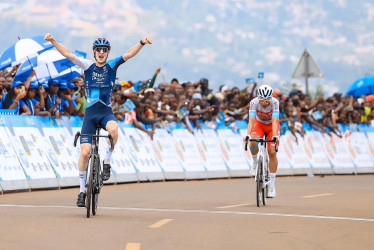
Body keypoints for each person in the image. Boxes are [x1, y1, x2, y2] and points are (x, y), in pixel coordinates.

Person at [44, 33, 152, 207]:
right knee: (85, 153)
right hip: (90, 115)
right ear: (94, 52)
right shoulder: (87, 65)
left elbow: (129, 53)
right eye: (98, 50)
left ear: (107, 53)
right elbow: (68, 54)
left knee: (114, 130)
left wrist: (141, 43)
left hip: (106, 113)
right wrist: (53, 41)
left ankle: (107, 161)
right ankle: (81, 191)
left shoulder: (112, 65)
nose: (101, 52)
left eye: (104, 50)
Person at [245, 84, 280, 198]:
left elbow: (275, 120)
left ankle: (272, 186)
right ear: (258, 97)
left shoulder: (275, 102)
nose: (264, 103)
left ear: (271, 98)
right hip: (259, 124)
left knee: (272, 152)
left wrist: (275, 136)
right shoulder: (254, 102)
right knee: (253, 141)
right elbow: (251, 120)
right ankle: (255, 163)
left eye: (267, 100)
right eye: (262, 100)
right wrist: (247, 134)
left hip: (271, 126)